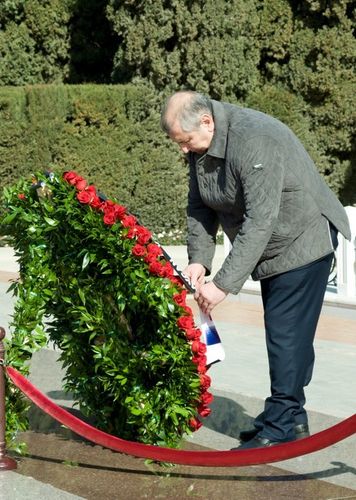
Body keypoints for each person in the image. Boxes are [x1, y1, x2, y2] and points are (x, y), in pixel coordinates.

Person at [160, 90, 351, 449]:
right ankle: (292, 418)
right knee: (286, 334)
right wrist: (200, 260)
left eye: (184, 142)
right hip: (273, 244)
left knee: (285, 334)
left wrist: (222, 285)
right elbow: (199, 206)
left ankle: (279, 424)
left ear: (206, 121)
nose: (183, 150)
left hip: (304, 236)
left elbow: (261, 219)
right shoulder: (203, 143)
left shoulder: (253, 138)